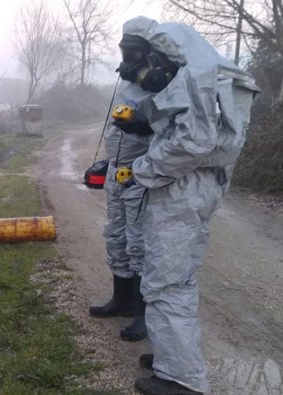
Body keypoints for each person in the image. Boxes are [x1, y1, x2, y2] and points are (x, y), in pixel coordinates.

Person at [115, 17, 259, 394]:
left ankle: (182, 380)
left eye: (135, 56)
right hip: (193, 187)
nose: (132, 66)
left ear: (157, 51)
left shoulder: (195, 79)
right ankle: (172, 358)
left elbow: (191, 144)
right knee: (176, 277)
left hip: (183, 189)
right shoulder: (197, 74)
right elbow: (182, 128)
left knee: (166, 282)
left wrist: (140, 169)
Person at [88, 19, 159, 343]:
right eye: (123, 50)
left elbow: (173, 131)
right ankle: (122, 299)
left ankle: (144, 316)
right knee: (115, 236)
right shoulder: (126, 82)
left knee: (139, 243)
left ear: (147, 51)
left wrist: (144, 127)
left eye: (133, 51)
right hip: (118, 172)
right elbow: (117, 124)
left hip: (142, 175)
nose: (126, 56)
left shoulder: (163, 82)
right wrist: (106, 161)